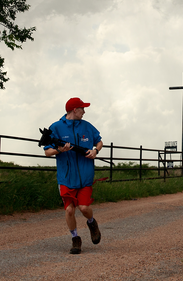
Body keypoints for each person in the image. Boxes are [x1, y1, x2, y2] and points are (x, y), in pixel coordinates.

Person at [44, 97, 104, 254]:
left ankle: (92, 223)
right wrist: (59, 150)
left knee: (84, 208)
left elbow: (99, 141)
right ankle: (75, 239)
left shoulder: (87, 126)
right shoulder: (55, 127)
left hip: (85, 175)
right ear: (74, 110)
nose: (84, 111)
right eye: (82, 109)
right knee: (70, 210)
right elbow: (47, 151)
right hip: (66, 177)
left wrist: (95, 151)